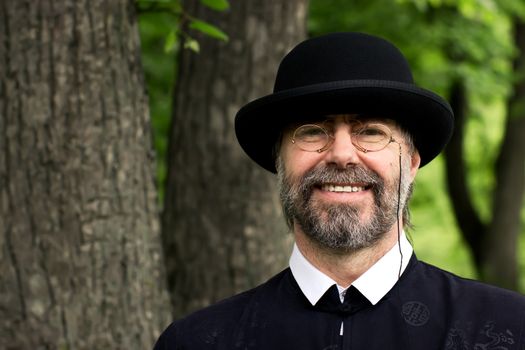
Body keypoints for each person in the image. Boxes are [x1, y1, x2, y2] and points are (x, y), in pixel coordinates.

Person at [154, 32, 525, 349]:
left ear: (411, 162)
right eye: (313, 131)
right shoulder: (199, 341)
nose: (342, 155)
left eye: (371, 132)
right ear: (280, 161)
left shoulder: (509, 329)